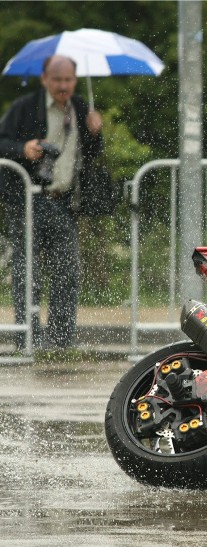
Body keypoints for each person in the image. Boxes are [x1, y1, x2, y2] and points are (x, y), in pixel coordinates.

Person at [0, 55, 104, 351]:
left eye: (68, 79)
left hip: (65, 203)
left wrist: (96, 132)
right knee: (27, 272)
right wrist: (23, 149)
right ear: (45, 78)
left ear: (74, 79)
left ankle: (61, 340)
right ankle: (27, 338)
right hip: (28, 201)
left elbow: (92, 154)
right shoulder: (24, 107)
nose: (62, 85)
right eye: (56, 79)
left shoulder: (82, 108)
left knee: (67, 273)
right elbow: (1, 141)